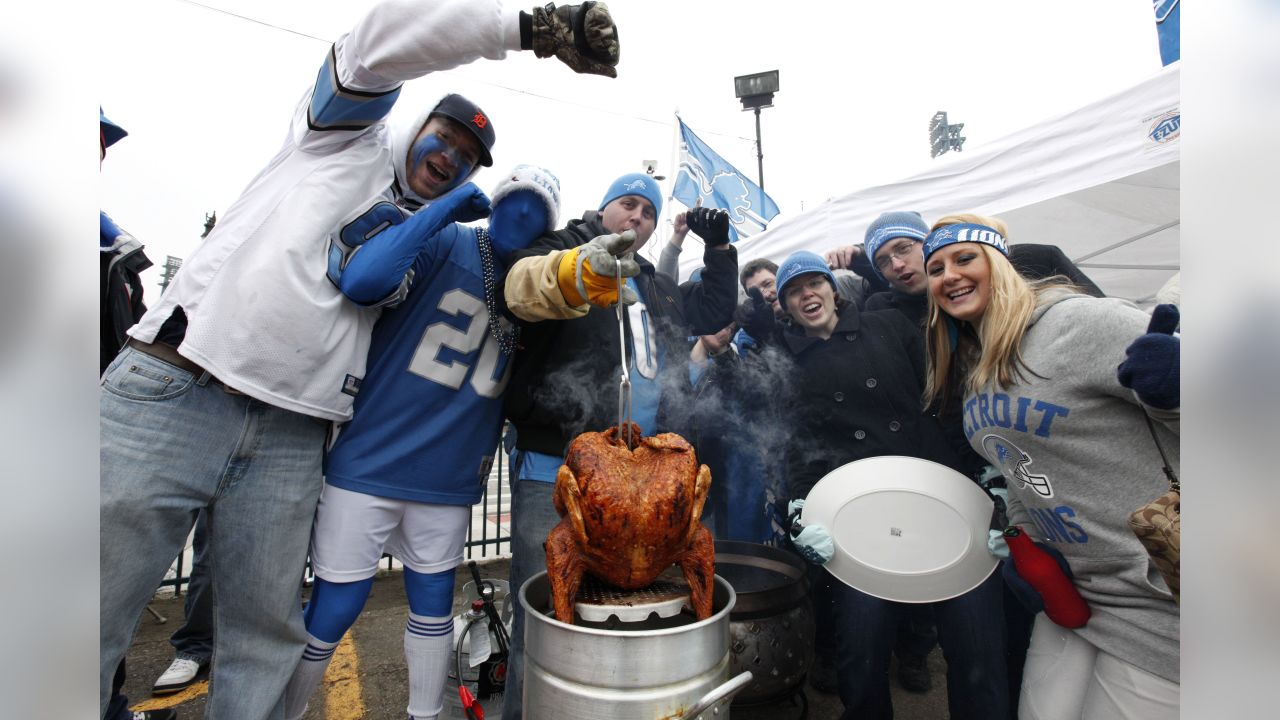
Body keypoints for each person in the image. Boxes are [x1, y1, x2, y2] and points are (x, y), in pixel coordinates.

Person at [99, 3, 620, 718]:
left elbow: (526, 284)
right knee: (81, 614)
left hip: (297, 430)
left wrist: (577, 271)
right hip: (187, 379)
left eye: (467, 158)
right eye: (444, 138)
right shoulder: (346, 140)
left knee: (265, 641)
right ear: (413, 124)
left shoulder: (447, 239)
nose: (450, 157)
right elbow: (377, 53)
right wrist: (522, 30)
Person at [282, 166, 561, 720]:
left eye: (538, 212)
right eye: (516, 201)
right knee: (335, 605)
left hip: (450, 477)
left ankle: (425, 715)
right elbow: (365, 281)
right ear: (496, 201)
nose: (523, 216)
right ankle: (282, 712)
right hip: (372, 458)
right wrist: (443, 208)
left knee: (433, 607)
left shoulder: (533, 284)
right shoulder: (449, 239)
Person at [499, 172, 739, 719]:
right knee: (543, 609)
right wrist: (581, 268)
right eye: (628, 205)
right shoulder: (560, 248)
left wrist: (719, 249)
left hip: (642, 476)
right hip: (556, 463)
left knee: (626, 623)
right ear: (604, 209)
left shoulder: (653, 281)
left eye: (648, 213)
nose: (637, 218)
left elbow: (712, 312)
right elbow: (521, 283)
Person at [921, 213, 1179, 719]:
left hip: (1155, 593)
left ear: (999, 263)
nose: (948, 274)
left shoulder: (1077, 322)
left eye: (964, 258)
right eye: (936, 268)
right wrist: (1025, 538)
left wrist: (1177, 393)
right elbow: (1013, 465)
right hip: (1074, 590)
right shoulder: (979, 367)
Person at [776, 250, 1010, 720]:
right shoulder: (787, 365)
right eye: (794, 291)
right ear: (786, 308)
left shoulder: (888, 326)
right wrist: (797, 509)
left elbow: (945, 401)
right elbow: (794, 447)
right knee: (860, 652)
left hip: (942, 495)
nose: (807, 294)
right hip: (862, 516)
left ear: (832, 289)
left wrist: (988, 473)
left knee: (977, 647)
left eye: (813, 283)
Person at [100, 107, 178, 720]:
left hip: (96, 433)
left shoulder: (115, 250)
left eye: (98, 144)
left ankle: (111, 705)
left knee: (98, 596)